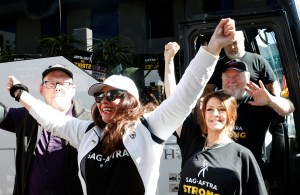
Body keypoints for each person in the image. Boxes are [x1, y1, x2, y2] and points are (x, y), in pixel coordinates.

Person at [5, 18, 236, 195]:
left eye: (113, 95)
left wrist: (212, 49)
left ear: (130, 100)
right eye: (100, 97)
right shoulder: (86, 132)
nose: (104, 101)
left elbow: (185, 95)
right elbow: (50, 118)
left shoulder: (149, 129)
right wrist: (20, 94)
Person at [0, 64, 91, 195]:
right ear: (41, 89)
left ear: (73, 89)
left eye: (63, 83)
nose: (57, 88)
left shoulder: (88, 121)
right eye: (51, 83)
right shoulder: (26, 117)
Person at [178, 90, 268, 194]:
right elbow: (175, 105)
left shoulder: (242, 155)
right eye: (209, 109)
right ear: (204, 114)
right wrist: (169, 72)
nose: (215, 114)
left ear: (232, 115)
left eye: (221, 109)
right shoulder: (193, 144)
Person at [204, 30, 281, 97]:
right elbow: (208, 89)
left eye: (235, 43)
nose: (232, 47)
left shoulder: (258, 60)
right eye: (228, 43)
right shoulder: (217, 65)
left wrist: (272, 104)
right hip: (227, 111)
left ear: (243, 40)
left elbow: (272, 84)